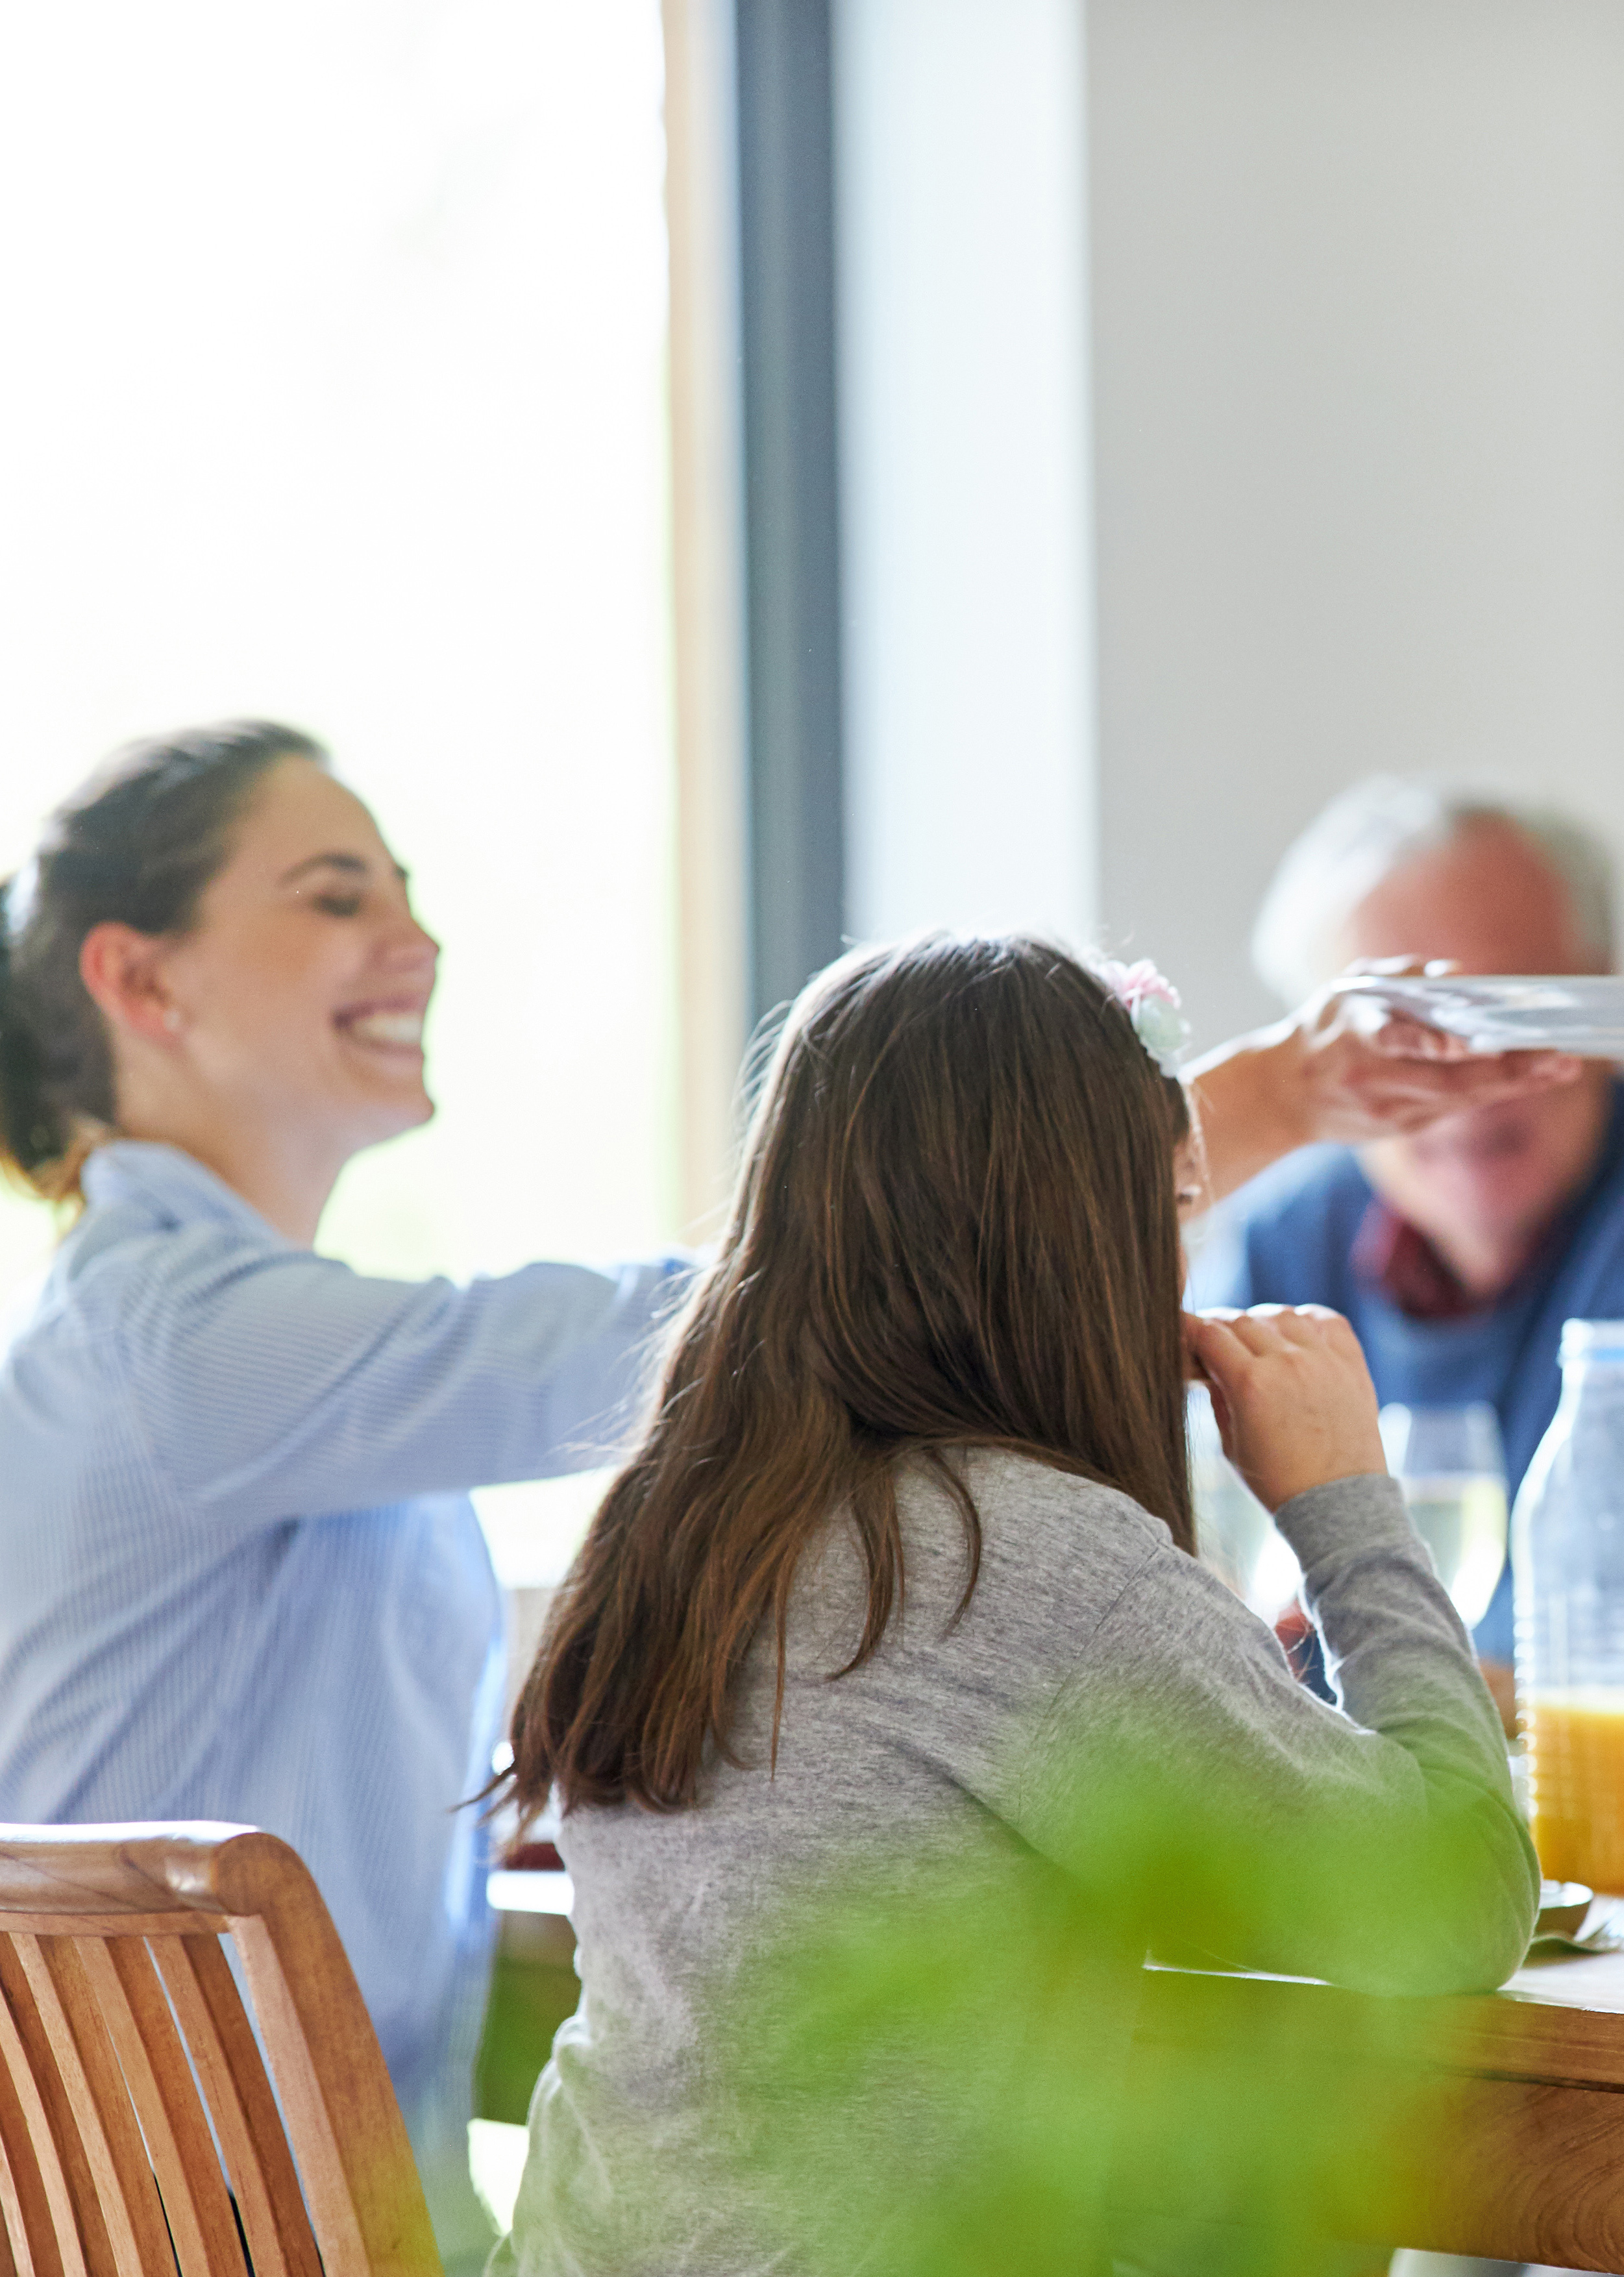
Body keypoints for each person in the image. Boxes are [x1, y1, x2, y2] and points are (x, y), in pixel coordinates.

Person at [0, 724, 1566, 2256]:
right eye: (336, 892)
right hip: (182, 2205)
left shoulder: (675, 1509)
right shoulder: (175, 1346)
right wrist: (1329, 1453)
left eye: (410, 890)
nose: (417, 940)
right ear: (138, 979)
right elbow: (1440, 1907)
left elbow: (789, 1308)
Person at [497, 935, 1531, 2274]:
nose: (1177, 1268)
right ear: (1078, 1245)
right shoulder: (1023, 1552)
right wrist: (1344, 1502)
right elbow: (1451, 1906)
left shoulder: (670, 1523)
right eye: (1165, 1213)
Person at [1200, 779, 1624, 1655]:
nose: (1469, 1081)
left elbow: (1600, 1625)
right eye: (1405, 1035)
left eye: (1519, 1012)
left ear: (1608, 1007)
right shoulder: (1283, 1238)